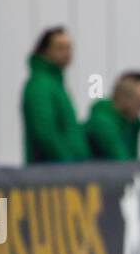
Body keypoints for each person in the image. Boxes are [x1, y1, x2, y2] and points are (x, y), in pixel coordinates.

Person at [21, 26, 89, 164]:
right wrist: (69, 163)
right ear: (45, 51)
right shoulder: (40, 86)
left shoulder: (55, 85)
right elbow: (45, 132)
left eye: (69, 48)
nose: (67, 53)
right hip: (52, 175)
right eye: (60, 48)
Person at [84, 72, 140, 160]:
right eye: (139, 105)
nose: (139, 112)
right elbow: (122, 163)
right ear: (126, 99)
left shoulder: (130, 125)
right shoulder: (103, 124)